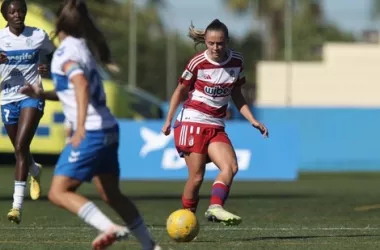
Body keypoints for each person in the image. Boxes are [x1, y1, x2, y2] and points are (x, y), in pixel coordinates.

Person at [20, 1, 161, 249]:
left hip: (92, 131)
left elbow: (81, 85)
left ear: (58, 24)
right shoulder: (83, 48)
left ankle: (109, 228)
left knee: (58, 192)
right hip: (108, 129)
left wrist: (80, 126)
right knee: (111, 194)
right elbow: (73, 89)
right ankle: (151, 246)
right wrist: (42, 94)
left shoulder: (65, 53)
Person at [162, 19, 269, 226]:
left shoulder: (236, 61)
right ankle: (185, 219)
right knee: (196, 178)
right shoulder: (197, 62)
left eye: (219, 43)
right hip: (192, 121)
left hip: (216, 124)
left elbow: (237, 94)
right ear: (205, 42)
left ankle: (215, 207)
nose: (215, 47)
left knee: (231, 166)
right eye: (210, 43)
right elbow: (180, 92)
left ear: (227, 41)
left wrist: (253, 120)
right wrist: (168, 120)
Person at [0, 0, 55, 224]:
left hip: (32, 96)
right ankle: (34, 169)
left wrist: (45, 65)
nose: (17, 15)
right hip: (7, 99)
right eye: (12, 12)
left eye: (21, 11)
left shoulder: (38, 35)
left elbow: (52, 54)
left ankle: (16, 207)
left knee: (21, 146)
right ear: (5, 15)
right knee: (19, 149)